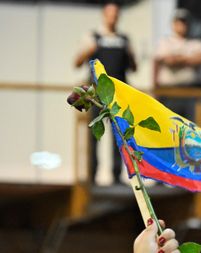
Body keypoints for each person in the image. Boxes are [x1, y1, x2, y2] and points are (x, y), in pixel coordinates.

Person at [74, 2, 137, 185]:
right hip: (96, 94)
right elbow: (77, 62)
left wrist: (131, 54)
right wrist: (89, 50)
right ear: (104, 15)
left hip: (118, 94)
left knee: (119, 134)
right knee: (94, 134)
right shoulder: (92, 36)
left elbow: (134, 67)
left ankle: (117, 176)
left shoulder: (125, 39)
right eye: (110, 13)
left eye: (116, 14)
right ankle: (92, 175)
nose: (113, 17)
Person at [153, 8, 201, 118]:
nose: (182, 25)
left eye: (184, 22)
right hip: (169, 93)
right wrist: (189, 59)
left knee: (191, 129)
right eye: (179, 22)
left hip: (191, 92)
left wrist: (178, 58)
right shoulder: (165, 42)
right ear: (173, 24)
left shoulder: (197, 42)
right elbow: (169, 61)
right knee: (170, 126)